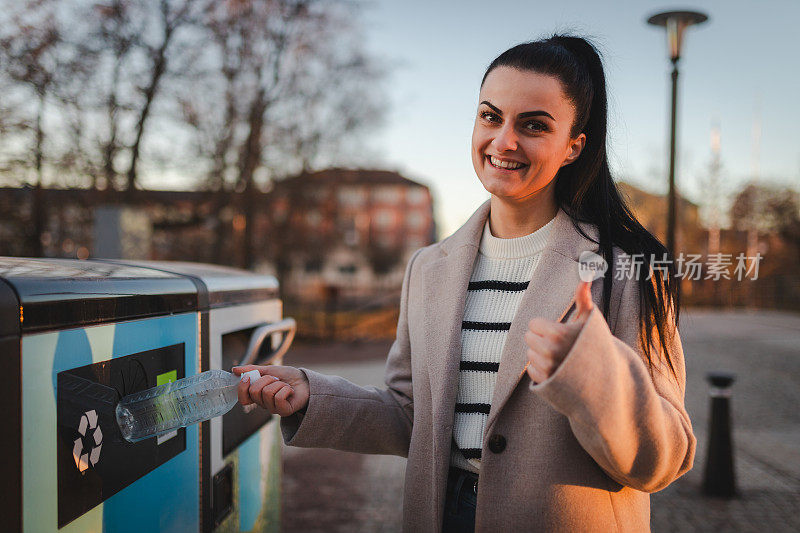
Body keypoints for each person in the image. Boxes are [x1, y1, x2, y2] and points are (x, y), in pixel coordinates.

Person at [234, 34, 695, 532]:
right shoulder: (428, 268)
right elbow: (412, 416)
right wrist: (313, 394)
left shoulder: (629, 268)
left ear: (573, 147)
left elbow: (665, 458)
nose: (504, 141)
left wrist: (595, 378)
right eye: (491, 116)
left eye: (534, 125)